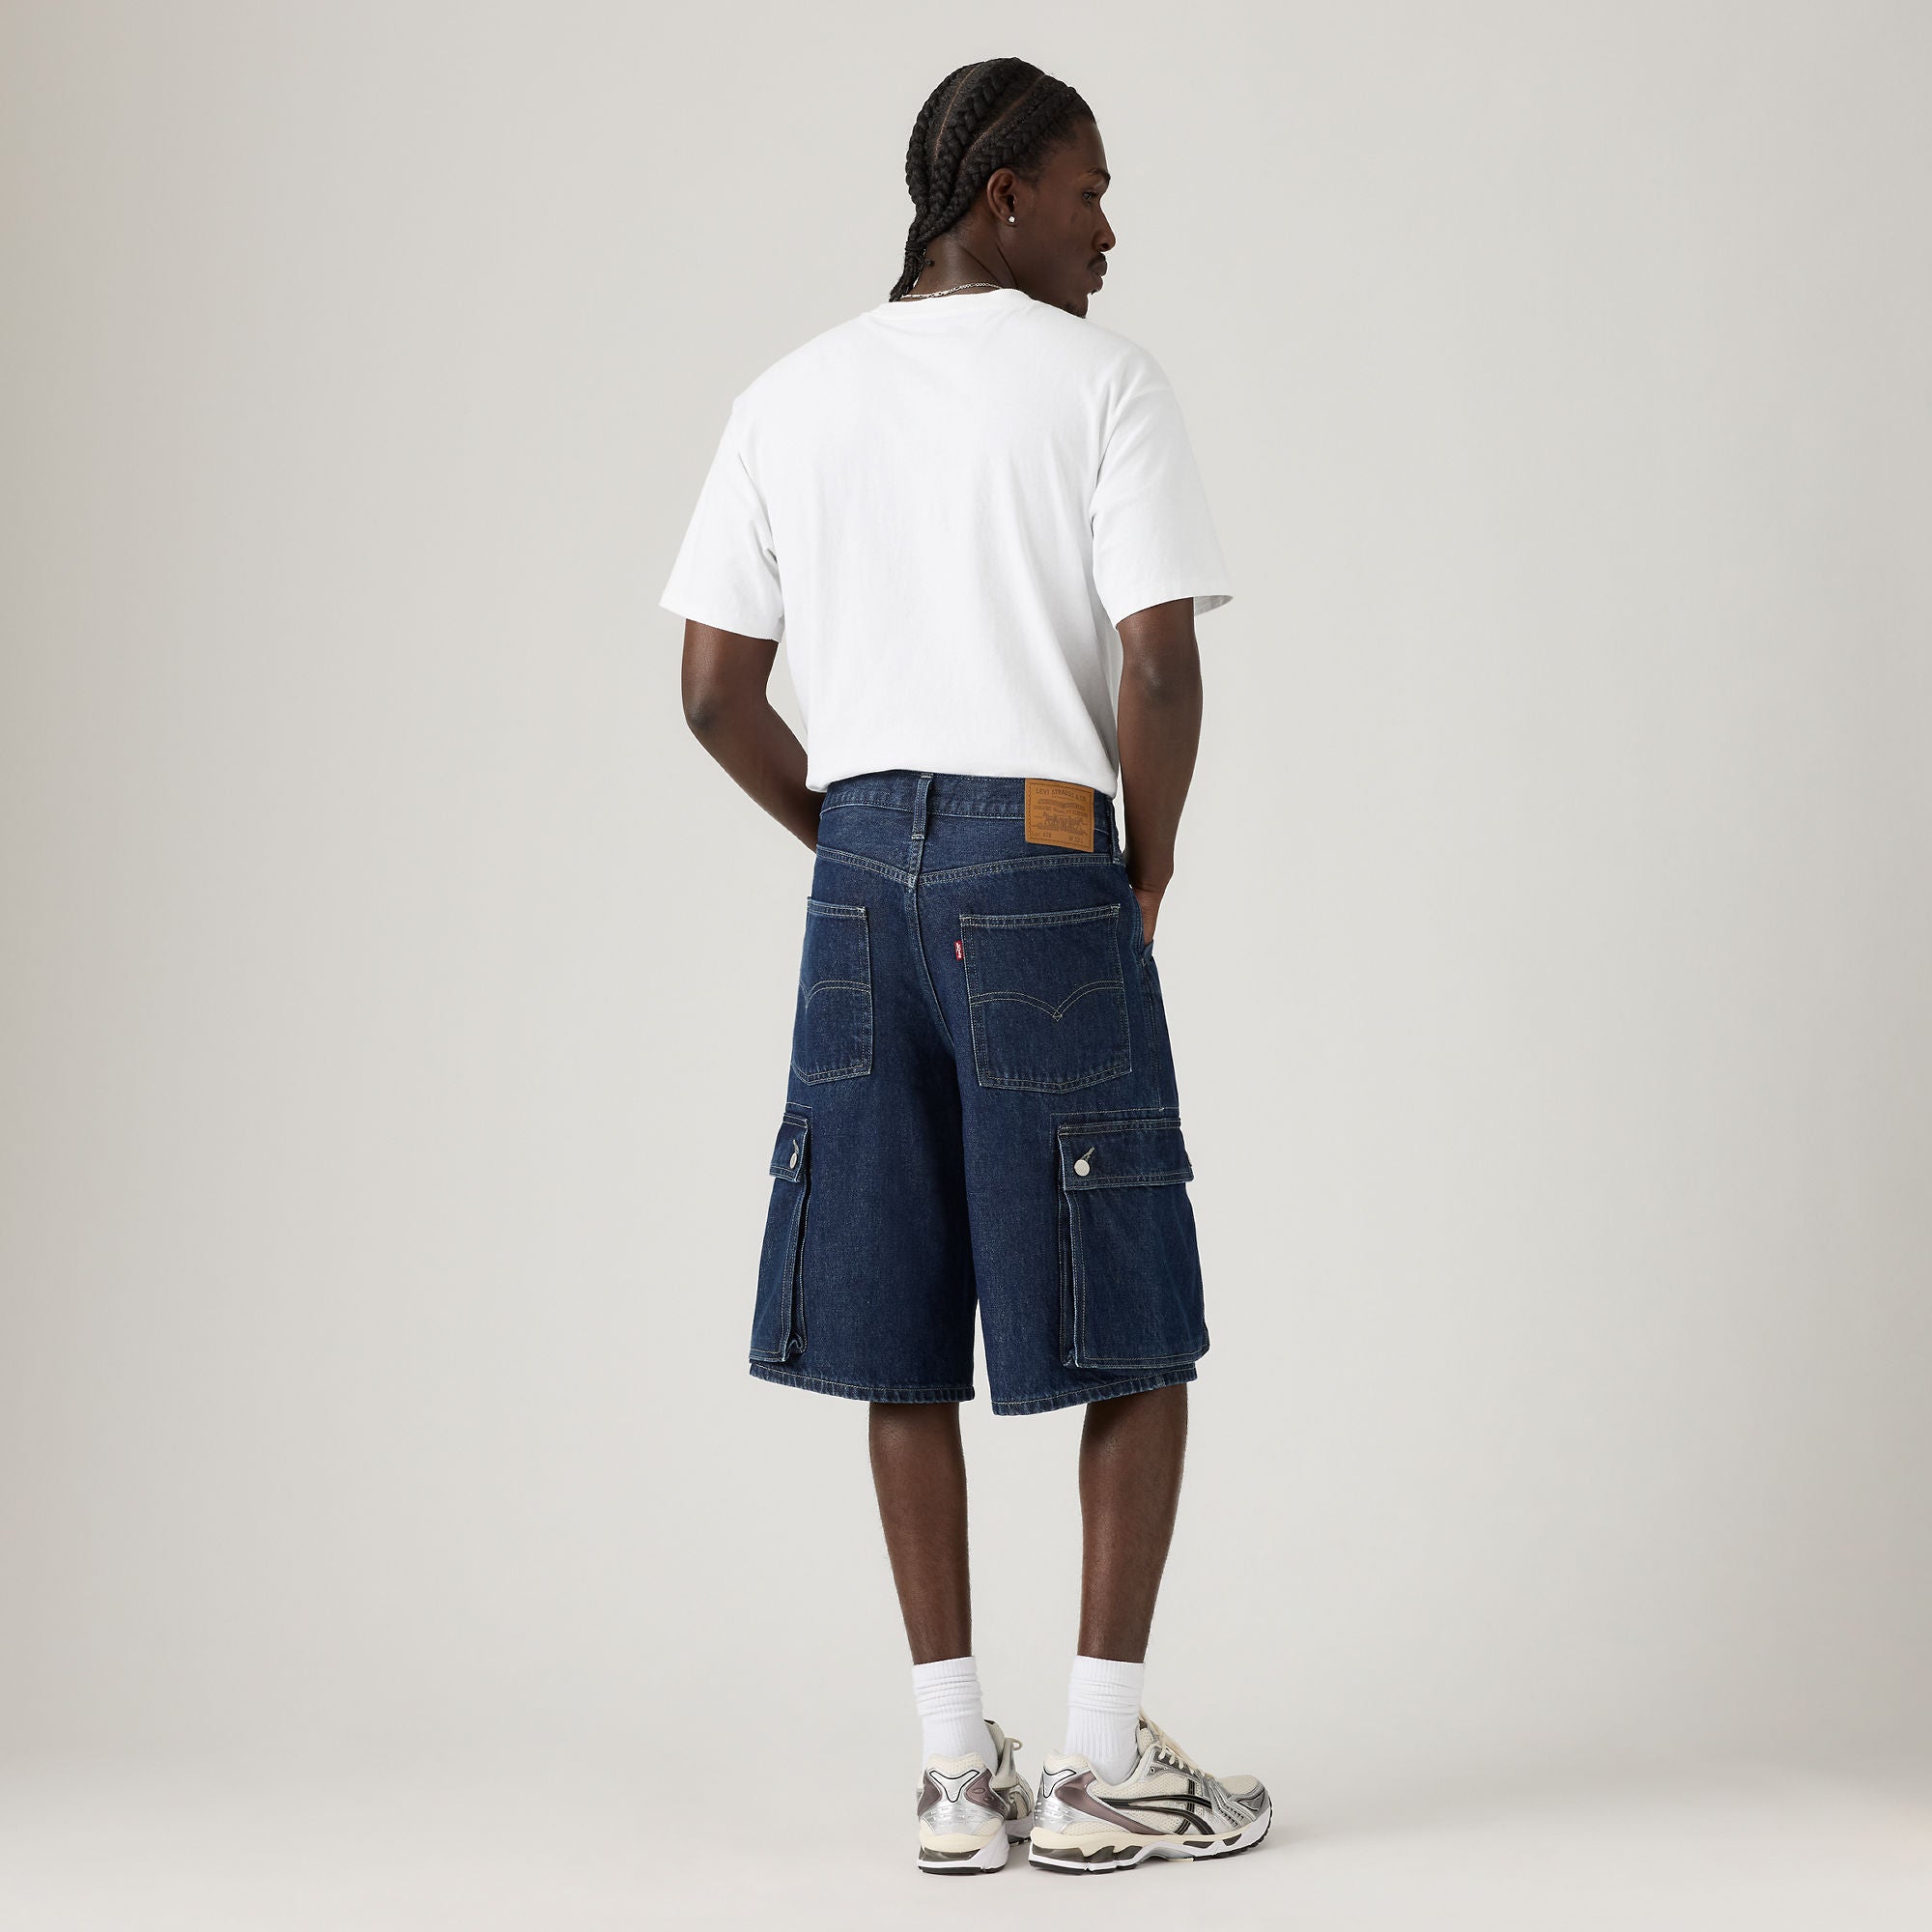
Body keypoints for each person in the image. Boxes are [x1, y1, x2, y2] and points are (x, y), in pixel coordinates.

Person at [660, 56, 1270, 1876]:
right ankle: (1099, 1768)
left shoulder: (790, 392)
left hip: (861, 879)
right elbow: (1157, 664)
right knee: (1128, 1307)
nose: (1109, 229)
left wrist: (853, 838)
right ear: (1000, 194)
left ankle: (953, 1777)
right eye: (1088, 190)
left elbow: (712, 690)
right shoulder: (1102, 384)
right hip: (1046, 857)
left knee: (895, 1318)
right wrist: (1145, 860)